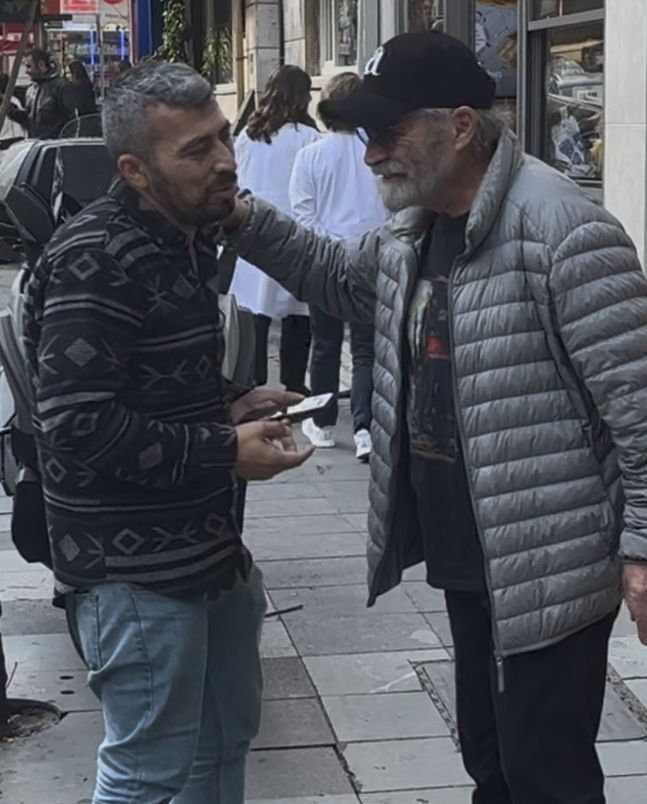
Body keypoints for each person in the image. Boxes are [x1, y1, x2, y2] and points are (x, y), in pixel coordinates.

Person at [221, 32, 647, 804]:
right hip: (465, 550)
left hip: (544, 558)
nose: (370, 153)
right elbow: (335, 276)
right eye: (364, 134)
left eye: (386, 132)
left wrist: (642, 549)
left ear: (458, 126)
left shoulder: (564, 228)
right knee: (489, 760)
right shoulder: (412, 228)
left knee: (544, 774)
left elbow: (637, 406)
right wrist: (239, 216)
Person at [23, 61, 314, 804]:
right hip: (134, 577)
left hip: (208, 554)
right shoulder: (98, 257)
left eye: (222, 137)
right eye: (194, 150)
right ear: (135, 170)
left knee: (221, 743)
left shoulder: (184, 237)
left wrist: (232, 402)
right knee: (145, 774)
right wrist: (224, 448)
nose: (224, 160)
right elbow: (74, 422)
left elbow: (149, 383)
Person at [289, 72, 386, 460]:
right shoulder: (376, 152)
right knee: (366, 350)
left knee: (325, 345)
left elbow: (302, 213)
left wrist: (328, 246)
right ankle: (364, 427)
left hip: (326, 260)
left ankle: (323, 422)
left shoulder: (310, 155)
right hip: (369, 259)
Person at [229, 65, 319, 395]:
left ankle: (252, 378)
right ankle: (293, 383)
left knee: (256, 307)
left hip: (252, 223)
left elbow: (236, 179)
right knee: (297, 311)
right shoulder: (308, 137)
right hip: (293, 229)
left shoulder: (248, 136)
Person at [22, 48, 75, 139]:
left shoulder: (61, 87)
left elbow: (68, 121)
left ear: (41, 65)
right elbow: (27, 118)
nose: (27, 71)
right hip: (35, 143)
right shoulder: (31, 90)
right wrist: (10, 109)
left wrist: (48, 137)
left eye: (29, 66)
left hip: (54, 143)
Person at [0, 73, 27, 150]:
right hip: (3, 141)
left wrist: (8, 106)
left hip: (18, 139)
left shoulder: (13, 100)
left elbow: (23, 118)